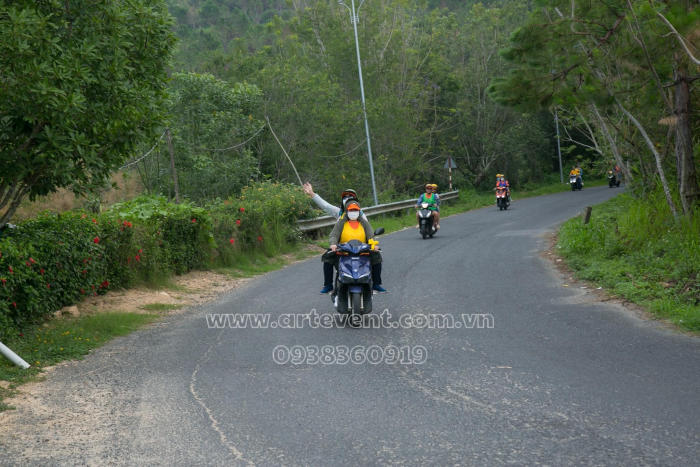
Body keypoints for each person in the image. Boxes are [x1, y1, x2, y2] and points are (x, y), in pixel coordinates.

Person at [303, 183, 387, 293]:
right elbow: (325, 206)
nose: (348, 199)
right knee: (327, 257)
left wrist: (373, 245)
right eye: (346, 197)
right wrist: (312, 194)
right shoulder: (340, 214)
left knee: (377, 257)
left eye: (351, 197)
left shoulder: (362, 216)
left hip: (362, 247)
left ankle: (376, 284)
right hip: (343, 248)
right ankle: (328, 285)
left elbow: (369, 233)